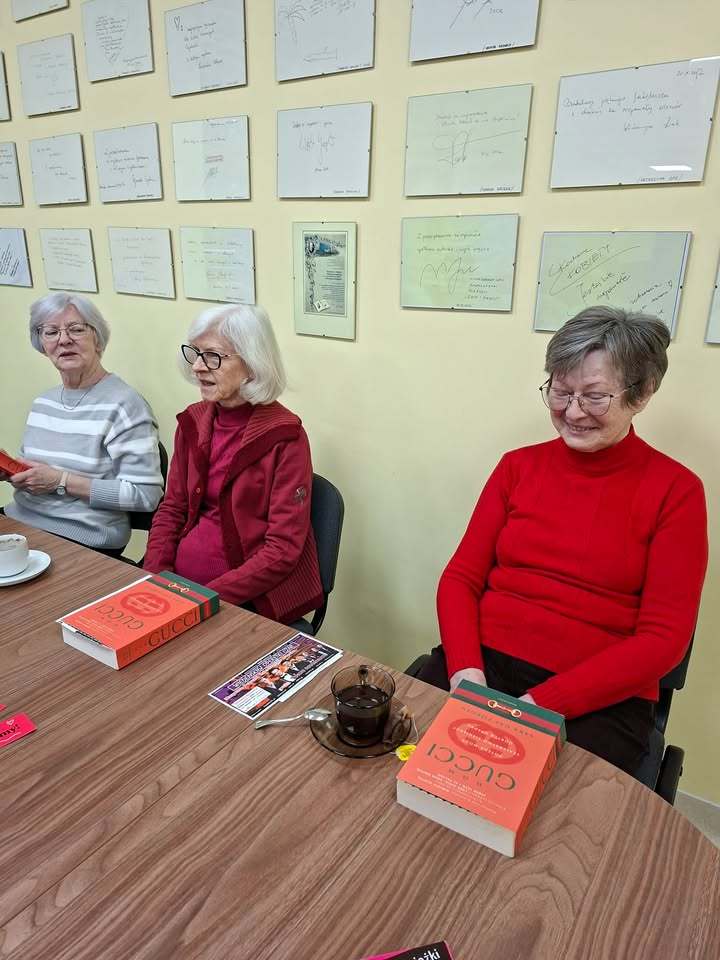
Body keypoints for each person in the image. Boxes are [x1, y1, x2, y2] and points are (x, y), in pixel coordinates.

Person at [417, 306, 708, 775]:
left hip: (599, 695)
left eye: (594, 397)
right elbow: (461, 579)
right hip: (482, 666)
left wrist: (540, 705)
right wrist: (465, 671)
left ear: (642, 394)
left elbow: (664, 640)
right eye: (560, 391)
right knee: (403, 765)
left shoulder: (677, 491)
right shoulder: (517, 467)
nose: (572, 412)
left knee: (545, 807)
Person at [143, 304, 323, 625]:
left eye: (213, 356)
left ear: (252, 364)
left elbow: (282, 550)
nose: (198, 367)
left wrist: (204, 600)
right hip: (178, 590)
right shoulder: (192, 422)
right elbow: (172, 509)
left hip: (245, 601)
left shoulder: (285, 437)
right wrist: (156, 578)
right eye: (196, 353)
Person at [1, 292, 163, 557]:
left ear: (97, 339)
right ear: (42, 344)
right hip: (20, 521)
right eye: (51, 332)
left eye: (76, 329)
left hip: (82, 537)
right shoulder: (43, 402)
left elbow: (145, 495)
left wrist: (61, 481)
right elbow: (37, 473)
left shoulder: (125, 405)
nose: (64, 340)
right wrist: (13, 472)